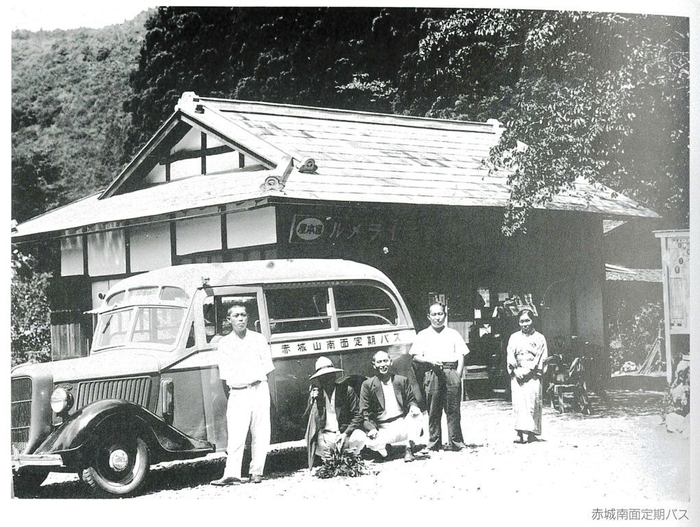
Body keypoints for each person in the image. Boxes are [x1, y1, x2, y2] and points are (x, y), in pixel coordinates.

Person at [211, 302, 274, 486]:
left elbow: (267, 367)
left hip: (259, 389)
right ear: (228, 320)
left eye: (243, 315)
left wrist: (255, 381)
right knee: (236, 435)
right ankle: (232, 474)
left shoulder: (258, 339)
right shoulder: (224, 344)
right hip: (238, 392)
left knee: (261, 433)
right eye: (236, 316)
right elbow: (225, 376)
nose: (240, 319)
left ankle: (257, 472)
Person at [410, 301, 470, 451]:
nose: (437, 317)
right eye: (434, 314)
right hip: (432, 372)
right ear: (428, 316)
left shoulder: (453, 333)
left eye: (440, 314)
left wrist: (458, 374)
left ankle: (456, 442)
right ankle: (434, 442)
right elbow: (415, 356)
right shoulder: (422, 335)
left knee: (453, 409)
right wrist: (429, 360)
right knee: (433, 410)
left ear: (445, 315)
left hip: (451, 371)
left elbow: (461, 355)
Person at [360, 350, 426, 462]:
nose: (383, 365)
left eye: (385, 361)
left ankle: (409, 449)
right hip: (383, 428)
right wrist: (371, 429)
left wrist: (413, 407)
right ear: (374, 365)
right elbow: (364, 412)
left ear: (390, 362)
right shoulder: (367, 385)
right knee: (369, 441)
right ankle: (385, 452)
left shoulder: (401, 380)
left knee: (417, 414)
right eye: (379, 362)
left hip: (401, 424)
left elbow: (411, 399)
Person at [303, 357, 367, 470]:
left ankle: (351, 456)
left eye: (329, 375)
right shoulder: (317, 395)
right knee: (316, 444)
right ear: (319, 379)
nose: (326, 379)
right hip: (327, 435)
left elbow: (358, 415)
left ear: (334, 376)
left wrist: (346, 433)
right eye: (323, 377)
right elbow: (307, 421)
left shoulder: (347, 390)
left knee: (360, 437)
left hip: (344, 433)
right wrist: (312, 401)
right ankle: (331, 461)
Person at [506, 308, 548, 444]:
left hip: (533, 374)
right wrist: (515, 370)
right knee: (519, 403)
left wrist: (530, 371)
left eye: (527, 321)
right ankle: (518, 433)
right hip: (517, 373)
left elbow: (541, 357)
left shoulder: (539, 338)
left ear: (532, 321)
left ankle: (531, 433)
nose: (524, 324)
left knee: (532, 402)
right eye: (521, 321)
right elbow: (510, 354)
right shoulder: (514, 337)